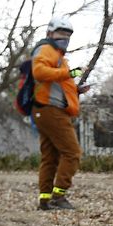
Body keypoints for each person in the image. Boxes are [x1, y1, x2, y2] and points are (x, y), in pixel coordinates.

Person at [31, 17, 82, 210]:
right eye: (61, 34)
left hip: (45, 110)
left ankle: (45, 200)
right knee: (72, 153)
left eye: (68, 35)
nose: (65, 38)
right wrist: (70, 73)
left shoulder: (60, 58)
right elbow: (39, 72)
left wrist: (77, 89)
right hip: (50, 109)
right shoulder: (46, 50)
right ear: (50, 34)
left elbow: (59, 83)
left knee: (50, 157)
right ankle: (58, 196)